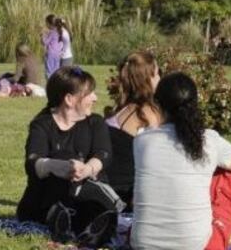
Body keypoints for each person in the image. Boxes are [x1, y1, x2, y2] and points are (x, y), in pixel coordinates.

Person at [131, 72, 231, 250]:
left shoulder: (142, 141)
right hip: (194, 244)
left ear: (157, 105)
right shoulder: (208, 140)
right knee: (228, 174)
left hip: (143, 244)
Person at [17, 67, 123, 247]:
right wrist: (61, 167)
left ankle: (89, 223)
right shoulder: (42, 124)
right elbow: (33, 162)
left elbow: (104, 154)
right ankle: (60, 218)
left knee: (88, 194)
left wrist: (87, 169)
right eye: (89, 94)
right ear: (69, 99)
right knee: (62, 161)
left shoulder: (95, 123)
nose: (95, 98)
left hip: (86, 191)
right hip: (48, 195)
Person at [105, 51, 163, 209]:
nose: (160, 78)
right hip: (130, 194)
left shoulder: (119, 110)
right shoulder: (149, 114)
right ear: (148, 78)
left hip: (110, 188)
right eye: (157, 73)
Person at [41, 14, 62, 79]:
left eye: (46, 23)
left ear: (49, 23)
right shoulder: (59, 31)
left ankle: (49, 83)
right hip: (58, 54)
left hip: (51, 54)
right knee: (56, 71)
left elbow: (45, 42)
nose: (46, 25)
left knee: (49, 71)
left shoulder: (52, 32)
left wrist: (42, 35)